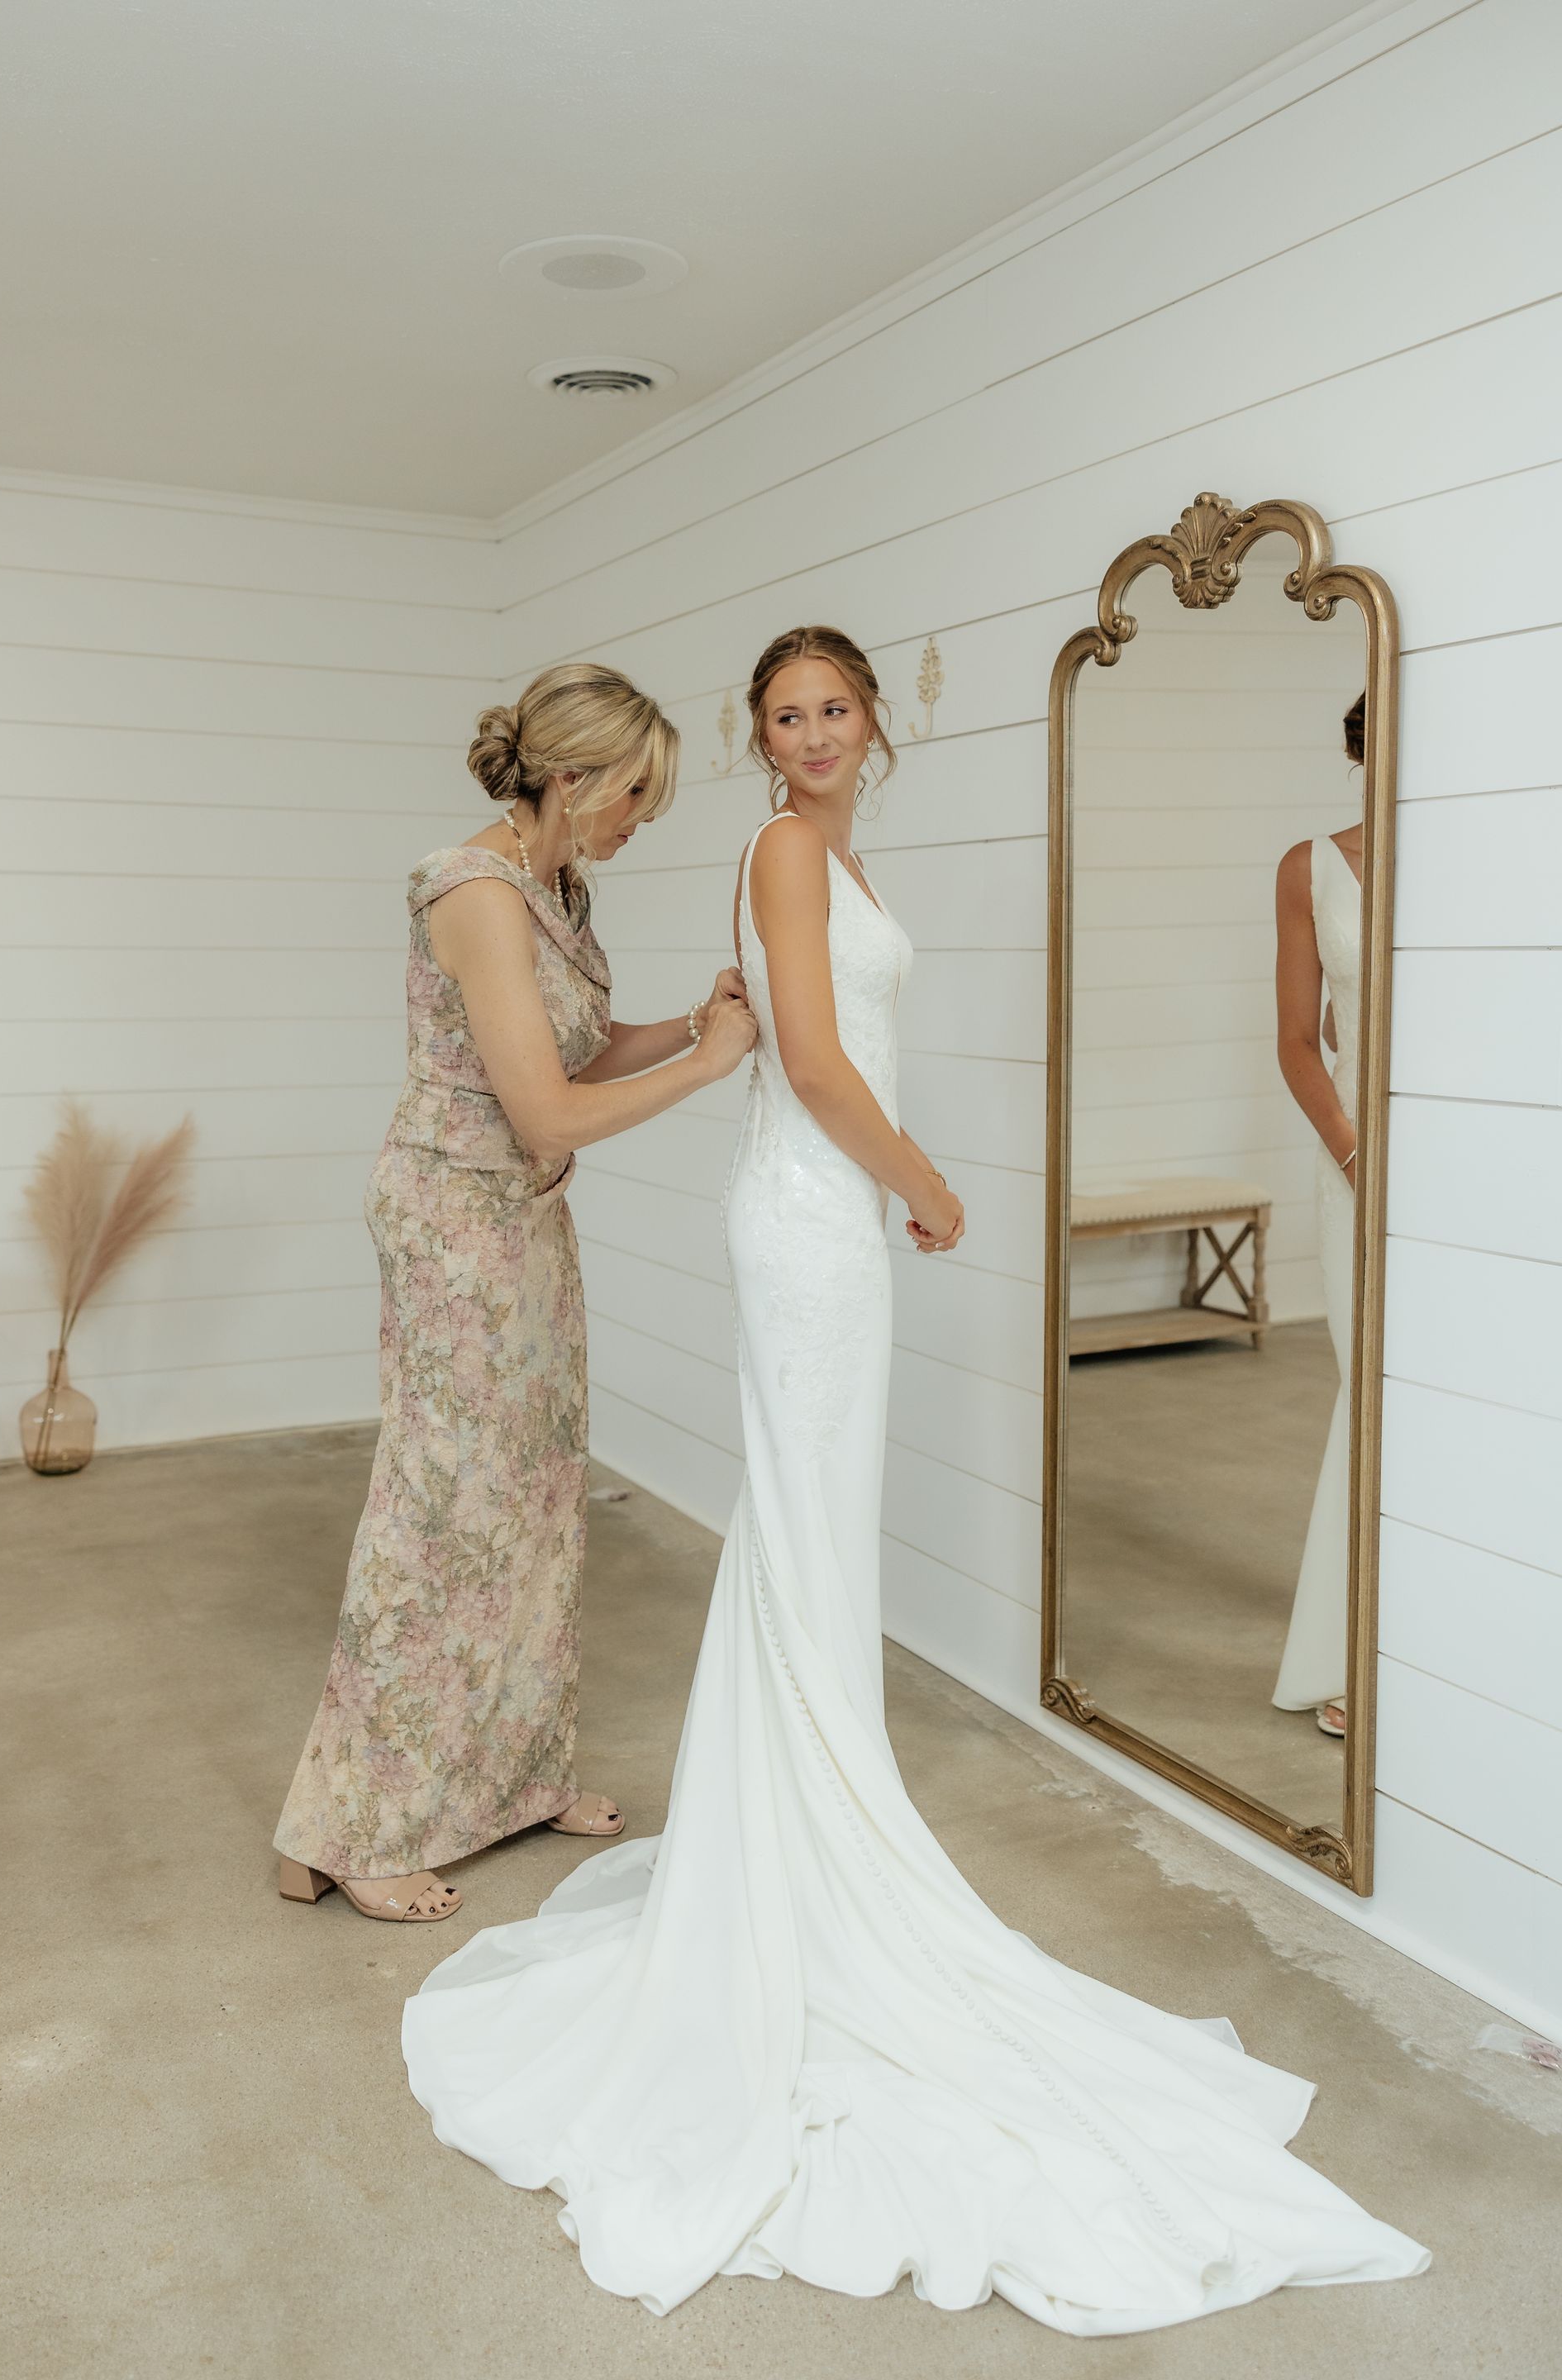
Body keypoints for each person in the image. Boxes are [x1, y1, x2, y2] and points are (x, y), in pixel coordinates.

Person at [401, 631, 1427, 2330]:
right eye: (784, 718)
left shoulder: (831, 849)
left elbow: (804, 1042)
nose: (810, 736)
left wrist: (881, 1183)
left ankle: (797, 1827)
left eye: (833, 710)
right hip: (815, 1222)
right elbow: (809, 1064)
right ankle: (802, 1863)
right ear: (765, 740)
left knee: (808, 1546)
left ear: (878, 718)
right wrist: (926, 1181)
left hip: (825, 1217)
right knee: (805, 1538)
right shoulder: (792, 851)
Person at [274, 662, 757, 1923]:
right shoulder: (475, 893)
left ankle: (509, 1779)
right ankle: (356, 1824)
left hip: (528, 1215)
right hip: (452, 1223)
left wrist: (687, 1024)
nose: (641, 821)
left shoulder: (557, 885)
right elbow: (545, 1106)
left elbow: (576, 1054)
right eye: (634, 795)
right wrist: (708, 1070)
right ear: (568, 776)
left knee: (534, 1500)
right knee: (441, 1510)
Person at [1272, 693, 1367, 1737]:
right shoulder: (1310, 867)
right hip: (1355, 1160)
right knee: (1371, 1391)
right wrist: (1354, 1151)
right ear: (1355, 747)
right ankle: (1353, 1653)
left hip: (1472, 1161)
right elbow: (1301, 1040)